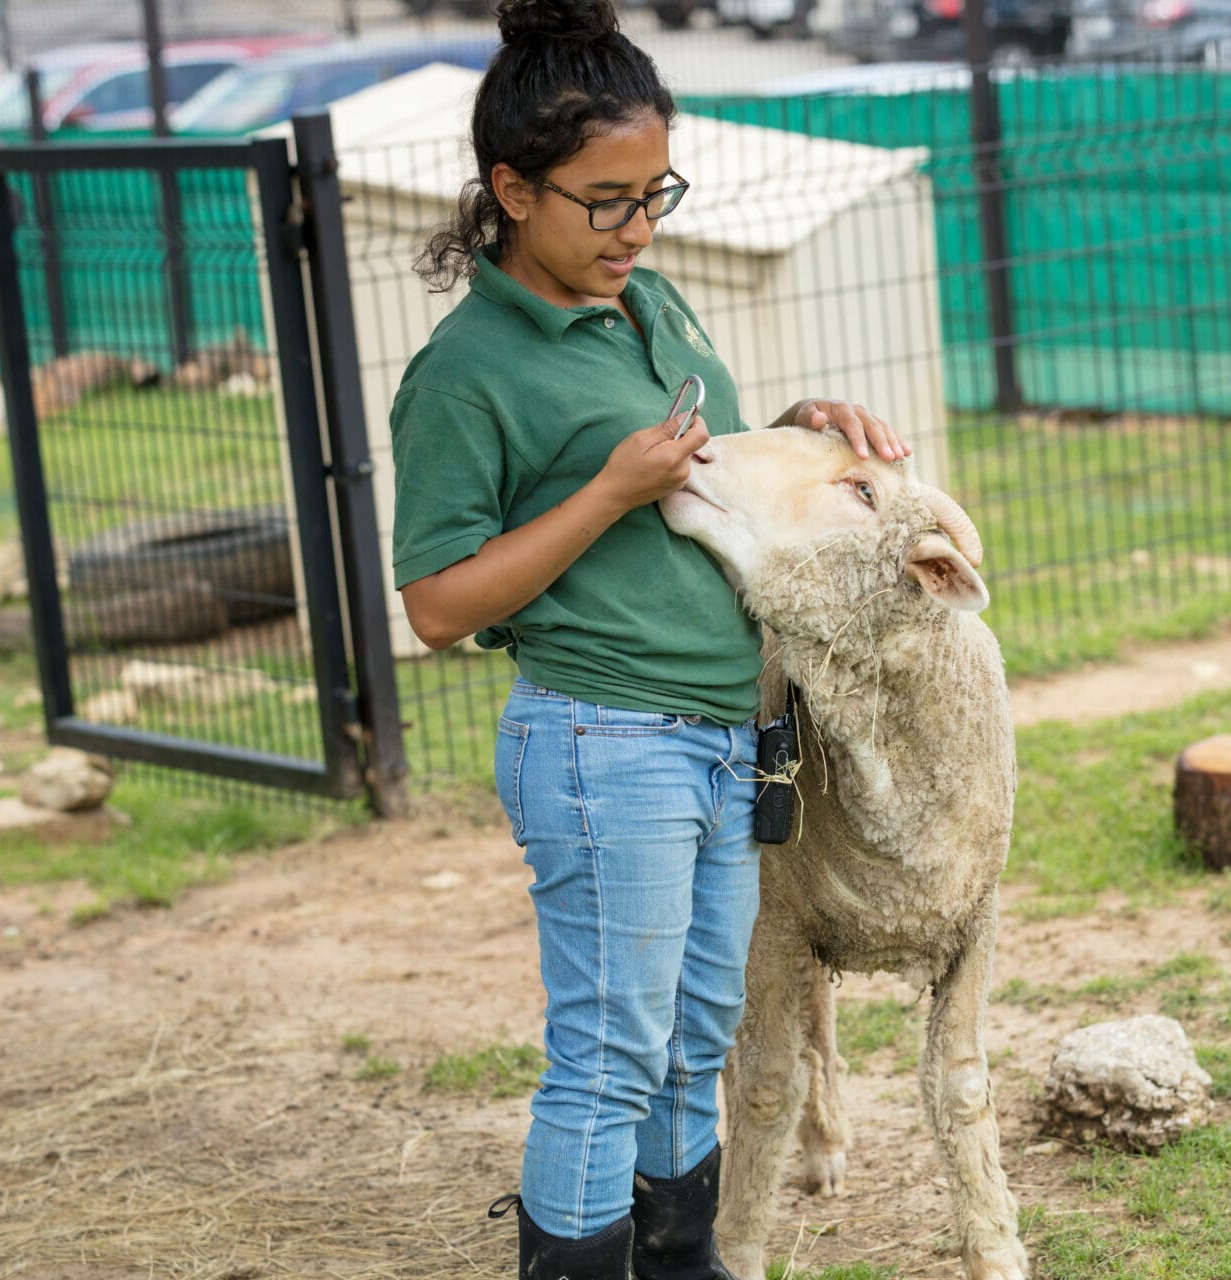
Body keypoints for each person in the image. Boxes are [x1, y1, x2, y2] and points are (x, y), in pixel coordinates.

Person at [389, 0, 910, 1275]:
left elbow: (703, 473)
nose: (640, 228)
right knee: (612, 1049)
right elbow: (440, 605)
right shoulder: (464, 376)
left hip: (727, 732)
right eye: (605, 200)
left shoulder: (653, 301)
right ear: (513, 190)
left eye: (655, 192)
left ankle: (681, 1261)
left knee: (696, 1035)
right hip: (602, 739)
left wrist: (796, 425)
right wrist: (605, 493)